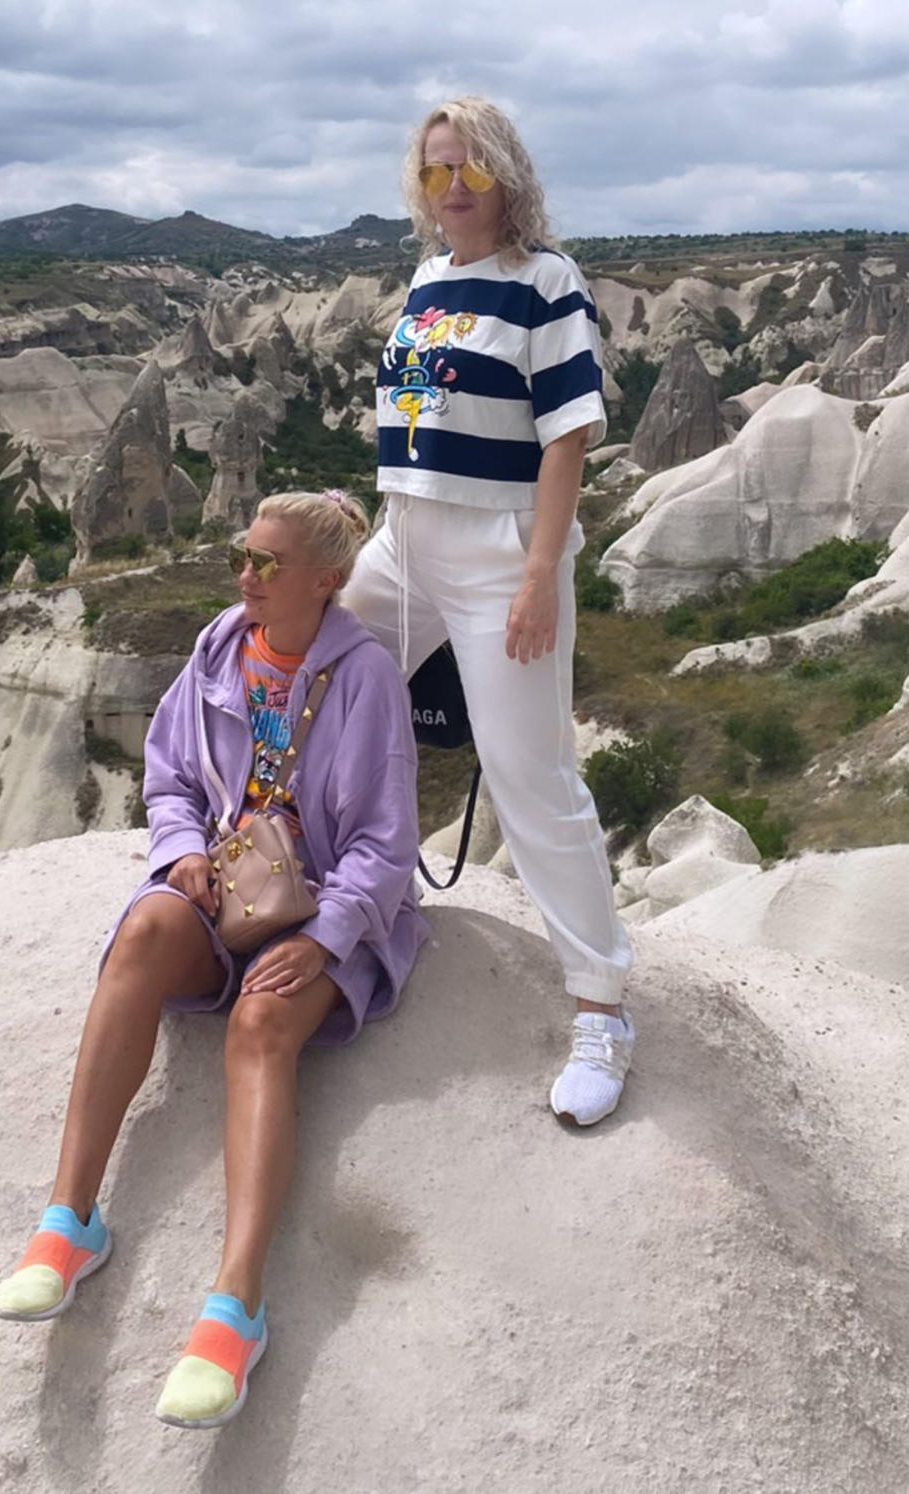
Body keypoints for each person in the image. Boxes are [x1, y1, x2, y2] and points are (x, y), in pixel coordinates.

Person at [0, 491, 427, 1430]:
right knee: (142, 932)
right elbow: (170, 776)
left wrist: (323, 940)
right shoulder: (220, 647)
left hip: (328, 908)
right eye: (243, 555)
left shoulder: (366, 679)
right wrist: (180, 850)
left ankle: (235, 1305)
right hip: (231, 891)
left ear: (326, 580)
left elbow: (387, 847)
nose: (245, 576)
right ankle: (68, 1225)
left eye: (267, 564)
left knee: (263, 1021)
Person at [343, 95, 636, 1125]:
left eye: (469, 166)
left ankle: (601, 1006)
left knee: (530, 777)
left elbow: (567, 438)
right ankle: (348, 896)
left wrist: (538, 574)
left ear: (506, 171)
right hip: (402, 538)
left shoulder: (546, 283)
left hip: (498, 545)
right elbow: (421, 419)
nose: (453, 186)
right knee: (320, 683)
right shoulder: (428, 282)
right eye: (434, 171)